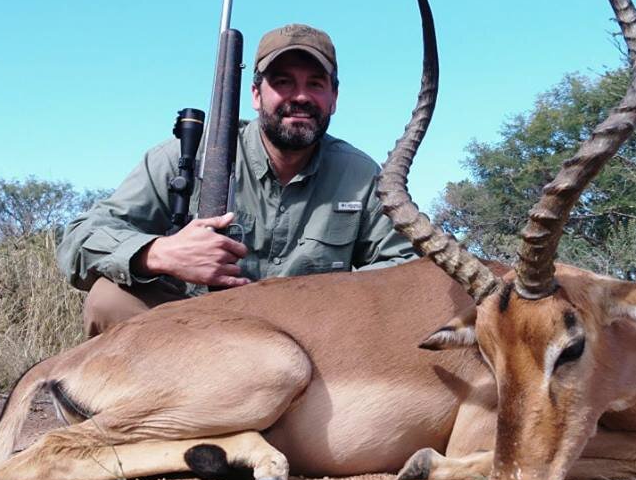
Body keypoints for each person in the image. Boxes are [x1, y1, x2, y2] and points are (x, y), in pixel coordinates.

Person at [57, 23, 418, 336]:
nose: (301, 96)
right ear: (256, 95)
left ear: (334, 98)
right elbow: (78, 238)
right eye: (283, 82)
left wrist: (325, 298)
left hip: (308, 344)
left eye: (316, 84)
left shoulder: (361, 175)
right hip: (195, 335)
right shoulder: (187, 155)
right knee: (109, 301)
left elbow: (405, 271)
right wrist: (158, 253)